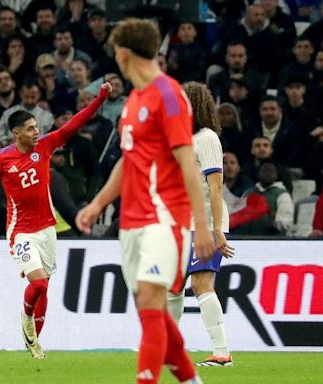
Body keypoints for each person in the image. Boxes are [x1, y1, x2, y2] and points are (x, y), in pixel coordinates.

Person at [75, 19, 214, 384]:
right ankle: (191, 380)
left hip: (165, 220)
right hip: (132, 223)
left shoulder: (168, 94)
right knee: (153, 315)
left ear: (123, 54)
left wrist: (201, 226)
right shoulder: (134, 99)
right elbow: (129, 159)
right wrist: (98, 203)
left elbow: (188, 161)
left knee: (152, 306)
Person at [0, 82, 112, 359]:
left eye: (37, 127)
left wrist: (100, 99)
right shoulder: (0, 159)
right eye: (31, 128)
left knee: (45, 289)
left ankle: (34, 344)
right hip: (21, 232)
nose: (37, 132)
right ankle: (26, 317)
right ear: (16, 132)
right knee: (39, 284)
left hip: (47, 229)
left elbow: (74, 124)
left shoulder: (45, 146)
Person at [167, 82, 234, 367]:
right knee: (172, 286)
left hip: (205, 223)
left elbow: (215, 188)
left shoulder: (206, 139)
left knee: (201, 283)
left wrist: (217, 230)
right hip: (182, 222)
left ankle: (222, 353)